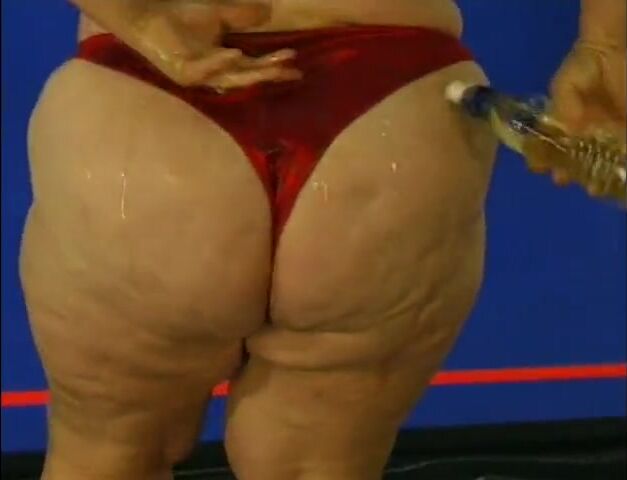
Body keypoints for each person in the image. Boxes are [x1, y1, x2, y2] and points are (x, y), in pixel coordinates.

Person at [20, 1, 625, 479]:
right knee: (317, 465)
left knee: (108, 455)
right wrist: (608, 45)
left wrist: (141, 19)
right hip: (393, 106)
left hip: (143, 105)